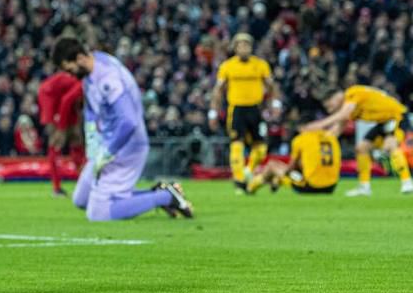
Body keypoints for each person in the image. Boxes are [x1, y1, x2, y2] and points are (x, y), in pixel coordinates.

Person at [52, 36, 193, 221]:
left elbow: (128, 122)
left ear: (79, 58)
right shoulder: (92, 66)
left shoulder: (108, 78)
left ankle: (167, 197)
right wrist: (93, 140)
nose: (70, 75)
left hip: (126, 146)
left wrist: (108, 152)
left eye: (69, 69)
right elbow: (92, 108)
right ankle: (162, 193)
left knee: (98, 213)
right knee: (81, 199)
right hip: (107, 142)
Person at [301, 86, 413, 196]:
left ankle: (407, 182)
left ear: (336, 96)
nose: (329, 110)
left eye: (330, 106)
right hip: (383, 121)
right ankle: (364, 187)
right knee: (361, 148)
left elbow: (343, 114)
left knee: (391, 145)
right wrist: (317, 142)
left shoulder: (352, 93)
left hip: (398, 117)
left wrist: (319, 125)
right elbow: (336, 131)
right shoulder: (349, 108)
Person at [209, 33, 279, 192]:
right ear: (235, 48)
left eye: (246, 45)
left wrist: (275, 104)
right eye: (240, 45)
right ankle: (239, 179)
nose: (244, 48)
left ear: (251, 47)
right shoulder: (227, 66)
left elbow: (271, 86)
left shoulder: (260, 65)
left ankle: (248, 171)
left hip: (255, 109)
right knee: (236, 143)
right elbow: (218, 91)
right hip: (236, 109)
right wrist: (213, 112)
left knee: (261, 148)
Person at [246, 123, 341, 195]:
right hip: (331, 187)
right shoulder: (331, 138)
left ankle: (251, 187)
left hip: (311, 187)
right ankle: (275, 180)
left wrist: (280, 174)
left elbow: (290, 169)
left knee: (272, 165)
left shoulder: (301, 139)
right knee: (285, 170)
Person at [37, 71, 82, 197]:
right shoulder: (81, 85)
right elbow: (66, 101)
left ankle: (82, 183)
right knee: (57, 141)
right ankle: (56, 188)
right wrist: (61, 128)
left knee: (76, 139)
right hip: (50, 98)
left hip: (63, 100)